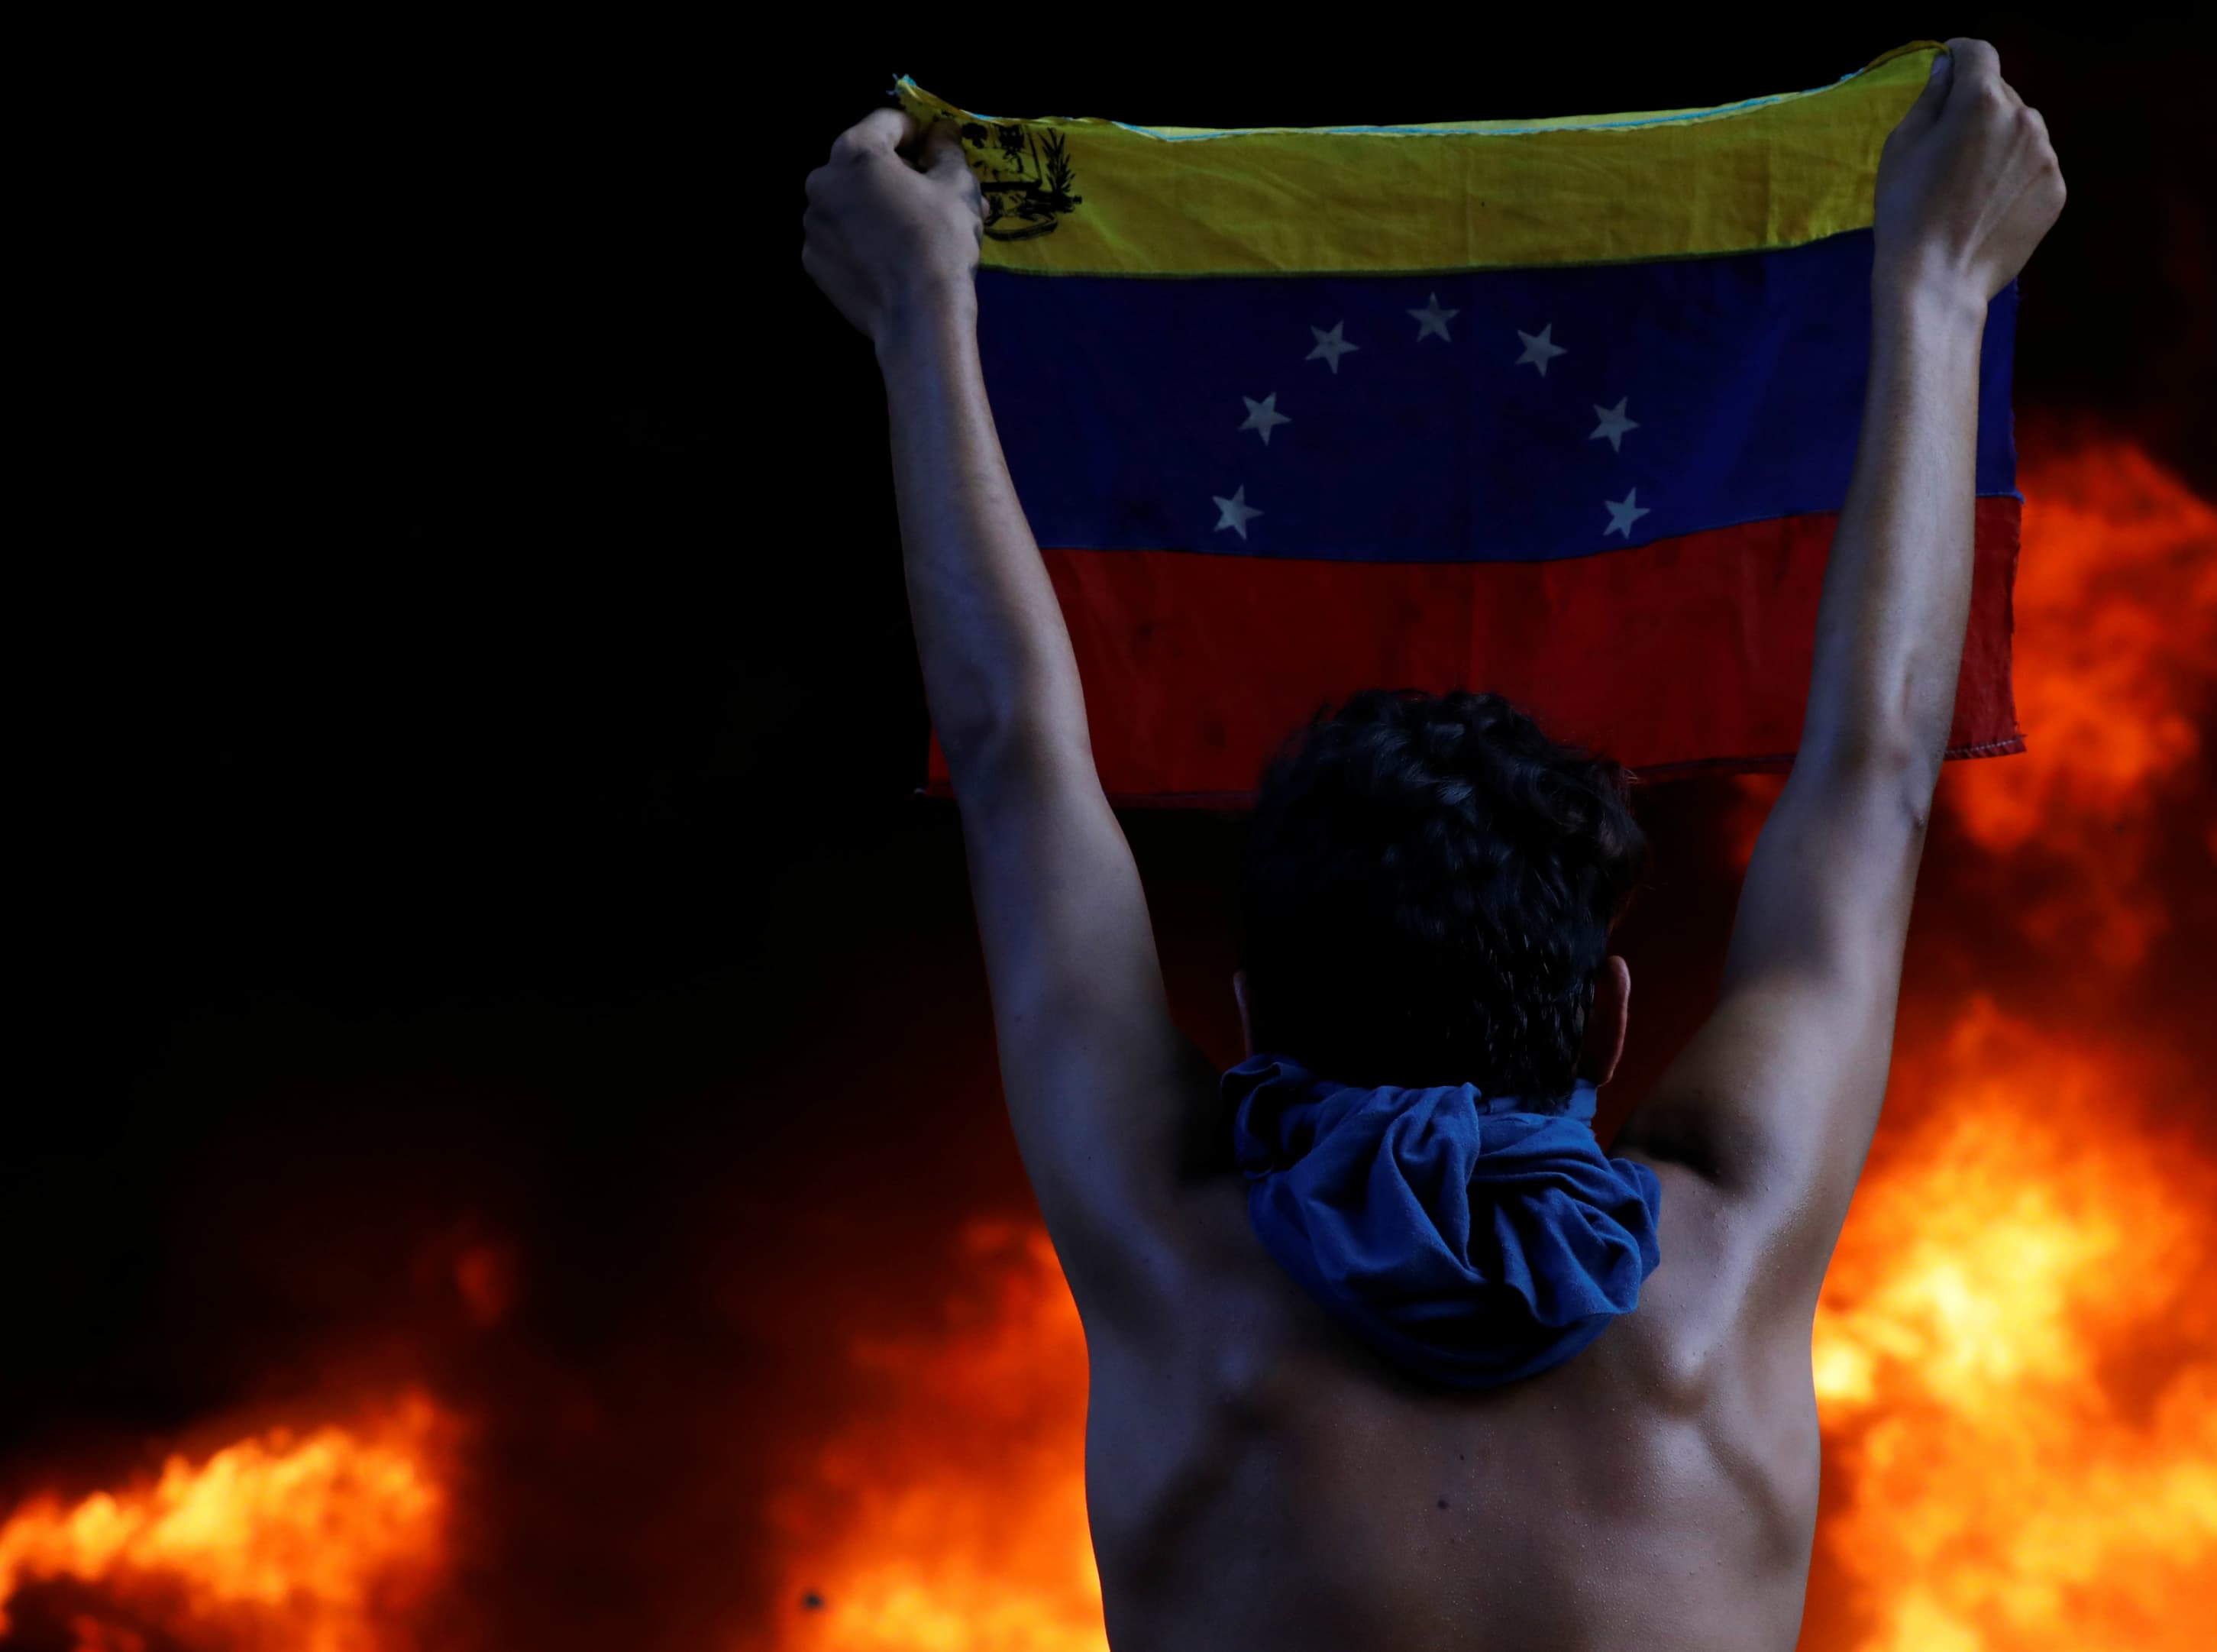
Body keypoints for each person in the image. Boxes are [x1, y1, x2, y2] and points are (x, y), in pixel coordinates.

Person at [800, 37, 2062, 1651]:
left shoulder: (1176, 1260)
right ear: (1606, 1014)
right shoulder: (1725, 1253)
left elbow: (1012, 751)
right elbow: (1877, 767)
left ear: (1252, 1019)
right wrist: (1938, 291)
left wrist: (924, 321)